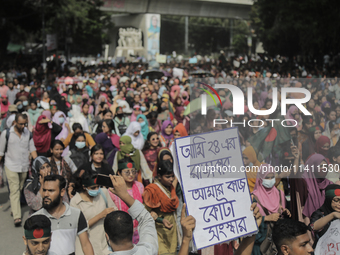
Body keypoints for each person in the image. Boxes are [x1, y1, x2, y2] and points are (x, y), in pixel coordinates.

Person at [33, 175, 94, 255]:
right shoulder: (35, 218)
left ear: (62, 192)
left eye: (51, 191)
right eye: (44, 190)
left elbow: (86, 245)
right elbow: (31, 248)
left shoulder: (76, 214)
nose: (46, 194)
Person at [104, 174, 158, 255]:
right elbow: (146, 219)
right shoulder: (148, 250)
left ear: (107, 237)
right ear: (132, 232)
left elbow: (146, 219)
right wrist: (125, 195)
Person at [0, 113, 37, 226]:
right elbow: (1, 152)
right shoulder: (6, 134)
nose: (23, 126)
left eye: (24, 124)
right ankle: (17, 216)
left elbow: (32, 150)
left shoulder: (28, 134)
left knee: (20, 188)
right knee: (14, 189)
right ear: (15, 122)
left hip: (24, 167)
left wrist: (39, 163)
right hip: (10, 166)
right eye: (20, 124)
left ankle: (14, 207)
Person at [70, 171, 118, 255]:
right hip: (86, 248)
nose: (96, 190)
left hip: (105, 247)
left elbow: (114, 211)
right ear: (84, 187)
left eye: (98, 186)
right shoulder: (75, 201)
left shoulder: (103, 193)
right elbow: (78, 227)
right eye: (93, 188)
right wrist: (100, 216)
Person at [252, 164, 291, 255]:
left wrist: (285, 212)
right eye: (267, 177)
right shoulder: (254, 196)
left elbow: (281, 212)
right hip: (261, 241)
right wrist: (267, 218)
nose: (270, 180)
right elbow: (249, 221)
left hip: (278, 240)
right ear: (261, 178)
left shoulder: (279, 193)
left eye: (272, 177)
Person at [143, 160, 179, 255]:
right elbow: (145, 212)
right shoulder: (151, 190)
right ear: (159, 176)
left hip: (172, 232)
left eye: (172, 176)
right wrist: (160, 219)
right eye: (167, 177)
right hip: (159, 231)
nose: (171, 179)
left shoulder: (171, 188)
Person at [109, 157, 144, 244]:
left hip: (139, 230)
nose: (131, 175)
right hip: (121, 232)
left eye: (133, 171)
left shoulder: (139, 186)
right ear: (119, 173)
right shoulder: (113, 191)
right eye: (127, 172)